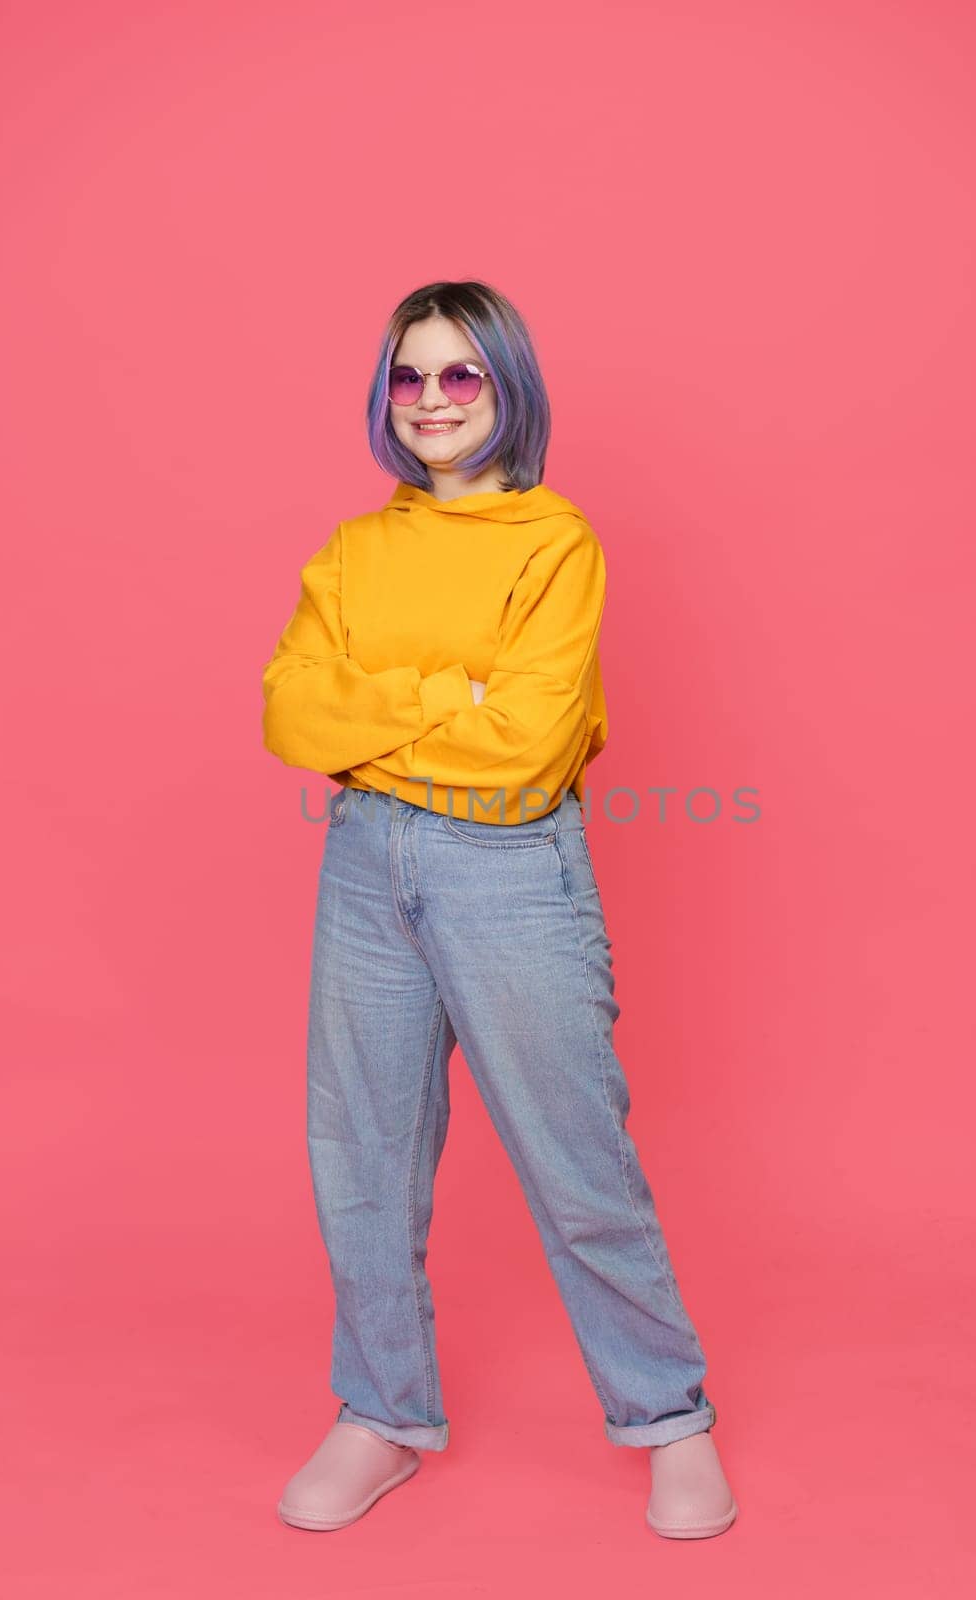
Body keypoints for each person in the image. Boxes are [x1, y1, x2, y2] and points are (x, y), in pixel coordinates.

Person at [261, 280, 738, 1541]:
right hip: (365, 860)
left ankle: (666, 1419)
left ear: (507, 388)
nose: (430, 401)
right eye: (409, 378)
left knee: (575, 1160)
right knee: (360, 1155)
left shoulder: (553, 542)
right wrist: (451, 689)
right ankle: (382, 1413)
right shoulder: (352, 551)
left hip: (509, 866)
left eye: (459, 376)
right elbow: (290, 715)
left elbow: (527, 748)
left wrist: (384, 700)